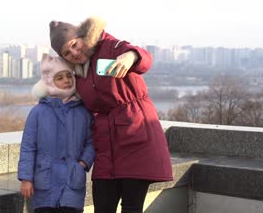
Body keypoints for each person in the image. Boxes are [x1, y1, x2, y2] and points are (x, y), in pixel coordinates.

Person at [48, 17, 173, 213]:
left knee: (131, 208)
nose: (73, 52)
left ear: (82, 37)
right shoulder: (78, 71)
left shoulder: (109, 46)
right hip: (106, 144)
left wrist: (130, 56)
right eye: (66, 52)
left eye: (74, 44)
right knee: (102, 206)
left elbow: (145, 59)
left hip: (136, 137)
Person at [18, 53, 95, 213]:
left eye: (69, 75)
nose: (66, 80)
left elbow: (92, 141)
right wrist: (26, 178)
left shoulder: (83, 112)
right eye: (60, 77)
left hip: (72, 183)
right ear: (49, 81)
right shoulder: (38, 112)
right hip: (45, 183)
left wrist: (82, 164)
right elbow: (28, 147)